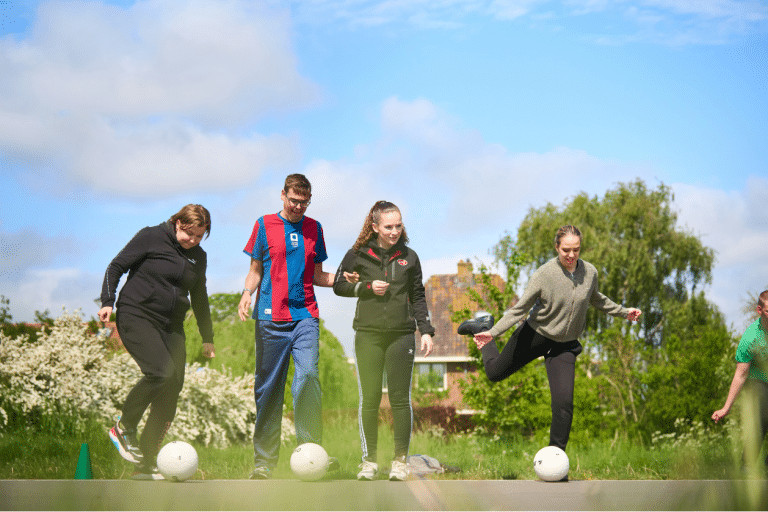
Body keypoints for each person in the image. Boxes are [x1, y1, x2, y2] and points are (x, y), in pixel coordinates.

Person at [473, 225, 642, 462]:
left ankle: (555, 460)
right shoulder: (544, 274)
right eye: (566, 250)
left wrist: (624, 312)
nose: (571, 255)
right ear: (556, 247)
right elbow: (519, 309)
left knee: (564, 404)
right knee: (494, 373)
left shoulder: (590, 272)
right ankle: (480, 325)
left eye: (576, 250)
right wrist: (492, 332)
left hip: (565, 344)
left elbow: (596, 298)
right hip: (536, 334)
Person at [99, 204, 215, 480]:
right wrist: (107, 301)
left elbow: (200, 296)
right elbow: (116, 266)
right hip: (137, 314)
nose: (193, 241)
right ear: (177, 223)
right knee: (161, 372)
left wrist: (207, 337)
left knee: (172, 388)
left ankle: (146, 462)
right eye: (189, 234)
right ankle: (123, 427)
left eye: (199, 236)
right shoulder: (151, 236)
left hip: (171, 325)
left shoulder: (199, 256)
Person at [238, 174, 337, 479]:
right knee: (268, 390)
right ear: (282, 195)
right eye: (294, 200)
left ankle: (311, 453)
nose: (298, 207)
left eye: (304, 202)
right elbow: (255, 270)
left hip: (305, 316)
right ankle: (264, 463)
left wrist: (346, 279)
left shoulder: (315, 229)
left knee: (308, 376)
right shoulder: (264, 225)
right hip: (270, 319)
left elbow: (318, 276)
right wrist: (247, 293)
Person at [333, 200, 435, 481]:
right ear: (375, 227)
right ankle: (369, 461)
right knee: (370, 399)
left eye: (398, 226)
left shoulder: (410, 257)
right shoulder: (357, 254)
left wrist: (426, 330)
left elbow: (417, 296)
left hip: (402, 335)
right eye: (388, 227)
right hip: (368, 334)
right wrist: (366, 287)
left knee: (400, 399)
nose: (394, 231)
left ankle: (400, 461)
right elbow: (339, 285)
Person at [712, 290, 768, 472]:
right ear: (759, 310)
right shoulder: (751, 338)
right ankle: (747, 464)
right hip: (758, 380)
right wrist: (726, 408)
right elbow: (741, 374)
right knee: (763, 415)